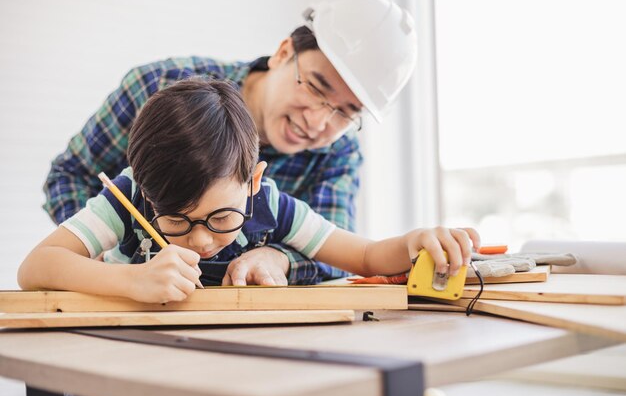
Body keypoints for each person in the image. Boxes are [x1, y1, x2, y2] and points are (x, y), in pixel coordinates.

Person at [42, 0, 419, 285]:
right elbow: (70, 177)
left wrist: (280, 258)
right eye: (316, 87)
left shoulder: (335, 154)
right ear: (285, 52)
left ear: (255, 179)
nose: (319, 121)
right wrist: (103, 267)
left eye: (346, 112)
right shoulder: (158, 89)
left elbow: (344, 252)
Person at [20, 78, 479, 303]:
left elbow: (365, 257)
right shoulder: (129, 195)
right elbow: (36, 267)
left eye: (221, 219)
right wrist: (131, 279)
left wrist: (416, 242)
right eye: (176, 220)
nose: (201, 240)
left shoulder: (270, 203)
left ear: (254, 179)